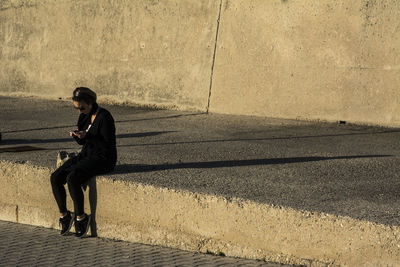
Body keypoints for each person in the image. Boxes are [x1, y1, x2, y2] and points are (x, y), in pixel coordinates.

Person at [50, 87, 117, 237]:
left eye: (82, 107)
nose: (80, 111)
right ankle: (65, 215)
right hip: (87, 154)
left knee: (72, 178)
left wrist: (87, 135)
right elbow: (82, 143)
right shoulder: (84, 116)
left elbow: (107, 143)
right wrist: (78, 136)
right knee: (55, 177)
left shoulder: (104, 117)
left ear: (90, 102)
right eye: (77, 108)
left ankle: (81, 217)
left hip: (103, 158)